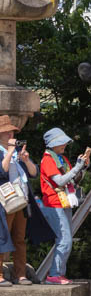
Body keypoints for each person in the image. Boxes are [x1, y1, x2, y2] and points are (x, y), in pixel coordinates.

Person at [38, 128, 90, 285]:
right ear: (52, 144)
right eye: (61, 142)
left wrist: (83, 167)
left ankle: (58, 274)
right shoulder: (48, 160)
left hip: (64, 202)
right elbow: (60, 181)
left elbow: (73, 181)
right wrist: (77, 167)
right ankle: (54, 274)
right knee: (65, 239)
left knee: (65, 239)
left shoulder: (61, 158)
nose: (64, 145)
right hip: (53, 204)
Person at [0, 116, 36, 286]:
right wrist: (8, 152)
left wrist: (26, 160)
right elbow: (2, 170)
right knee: (2, 237)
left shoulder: (17, 153)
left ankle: (20, 274)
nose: (10, 135)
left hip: (21, 200)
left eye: (12, 132)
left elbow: (34, 172)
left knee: (19, 239)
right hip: (4, 202)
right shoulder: (4, 152)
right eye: (7, 132)